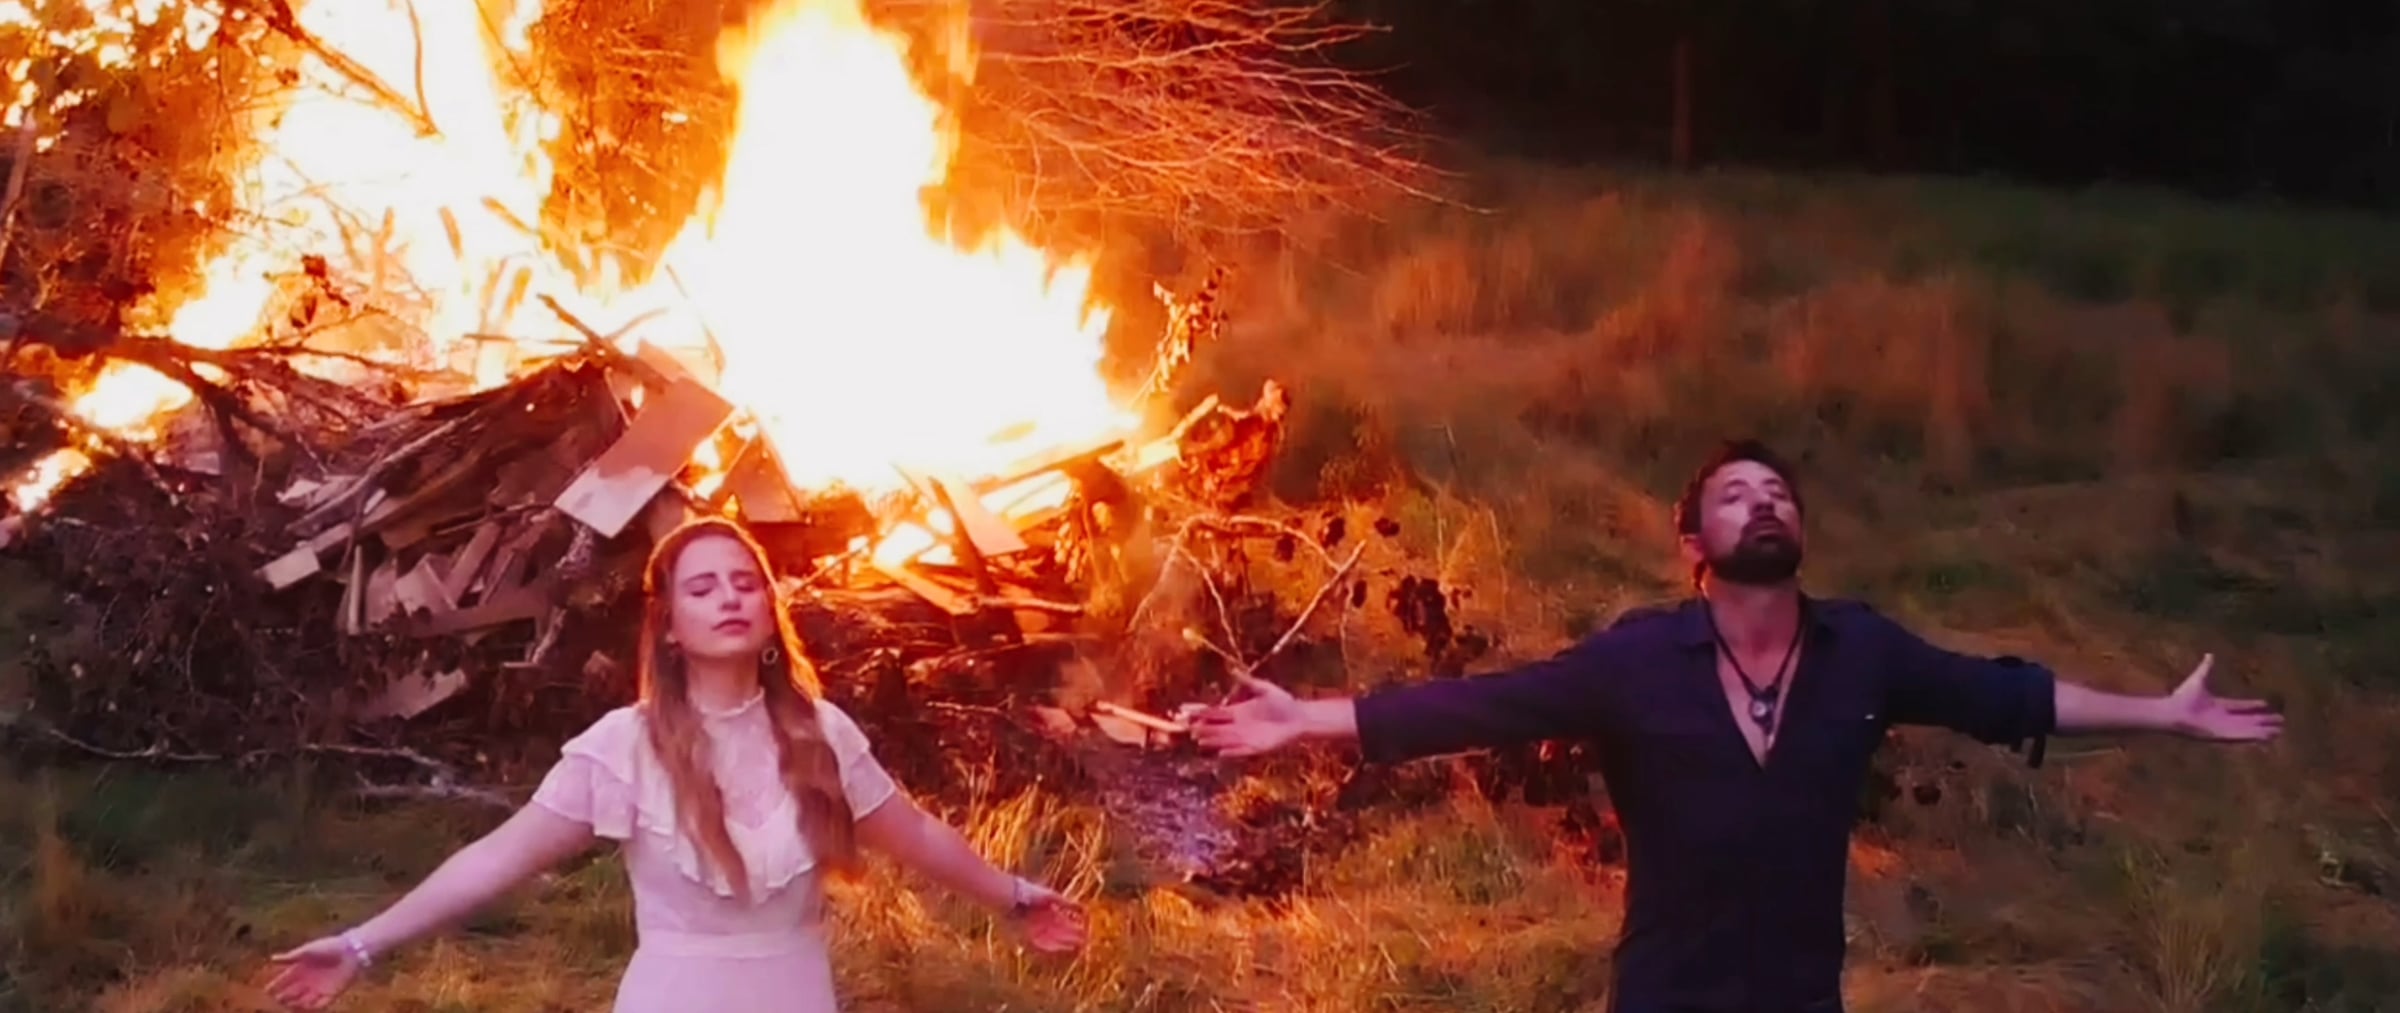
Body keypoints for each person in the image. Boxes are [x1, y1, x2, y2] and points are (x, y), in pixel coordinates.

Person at [1191, 439, 2282, 1013]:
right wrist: (1307, 718)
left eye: (1779, 493)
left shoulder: (1864, 651)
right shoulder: (1635, 661)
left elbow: (2010, 697)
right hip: (1665, 994)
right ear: (1694, 545)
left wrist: (2163, 714)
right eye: (1736, 494)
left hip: (1799, 996)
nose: (1764, 502)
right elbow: (1484, 704)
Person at [265, 517, 1086, 1012]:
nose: (729, 597)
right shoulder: (622, 748)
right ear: (667, 625)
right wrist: (360, 945)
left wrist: (1015, 896)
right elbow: (495, 859)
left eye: (745, 583)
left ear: (769, 611)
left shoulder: (822, 733)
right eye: (703, 588)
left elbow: (917, 835)